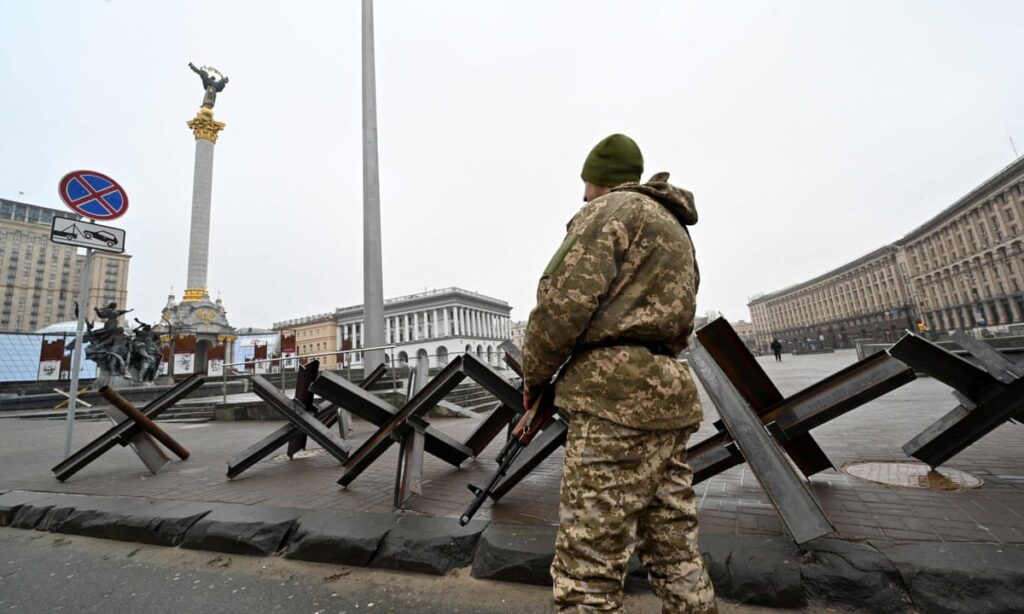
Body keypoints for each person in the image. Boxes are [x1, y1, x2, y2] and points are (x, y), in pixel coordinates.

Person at [522, 134, 716, 613]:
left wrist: (535, 382)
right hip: (667, 394)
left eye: (585, 188)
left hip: (612, 401)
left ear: (596, 181)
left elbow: (560, 307)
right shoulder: (675, 228)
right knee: (674, 549)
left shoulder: (608, 212)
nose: (582, 198)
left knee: (588, 564)